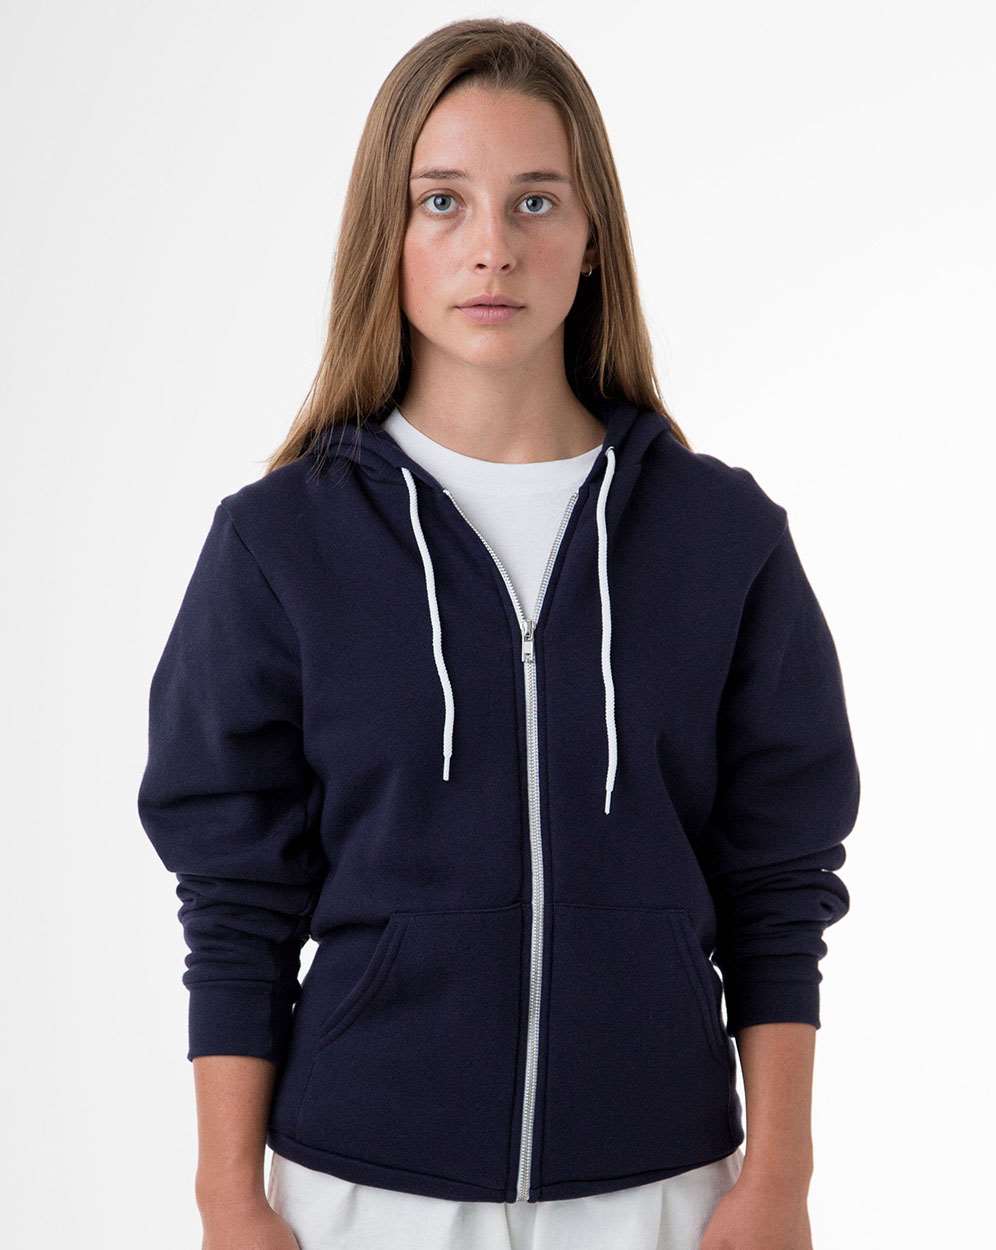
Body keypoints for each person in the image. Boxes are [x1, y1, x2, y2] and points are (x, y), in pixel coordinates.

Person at [137, 17, 860, 1250]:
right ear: (387, 236)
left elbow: (778, 881)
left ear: (592, 237)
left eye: (535, 200)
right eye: (442, 202)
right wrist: (228, 1198)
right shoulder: (281, 542)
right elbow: (235, 895)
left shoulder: (719, 536)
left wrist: (778, 1175)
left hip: (662, 1189)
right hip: (361, 1192)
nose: (492, 247)